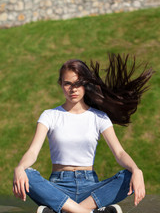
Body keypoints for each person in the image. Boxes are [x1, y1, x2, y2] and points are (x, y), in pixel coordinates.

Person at [13, 54, 153, 213]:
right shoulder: (49, 115)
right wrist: (20, 167)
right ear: (61, 85)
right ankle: (87, 211)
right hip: (57, 187)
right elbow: (32, 152)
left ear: (86, 85)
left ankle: (65, 210)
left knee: (129, 177)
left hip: (90, 190)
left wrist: (136, 170)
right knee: (27, 175)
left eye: (78, 84)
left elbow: (119, 152)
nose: (73, 89)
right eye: (68, 84)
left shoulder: (99, 117)